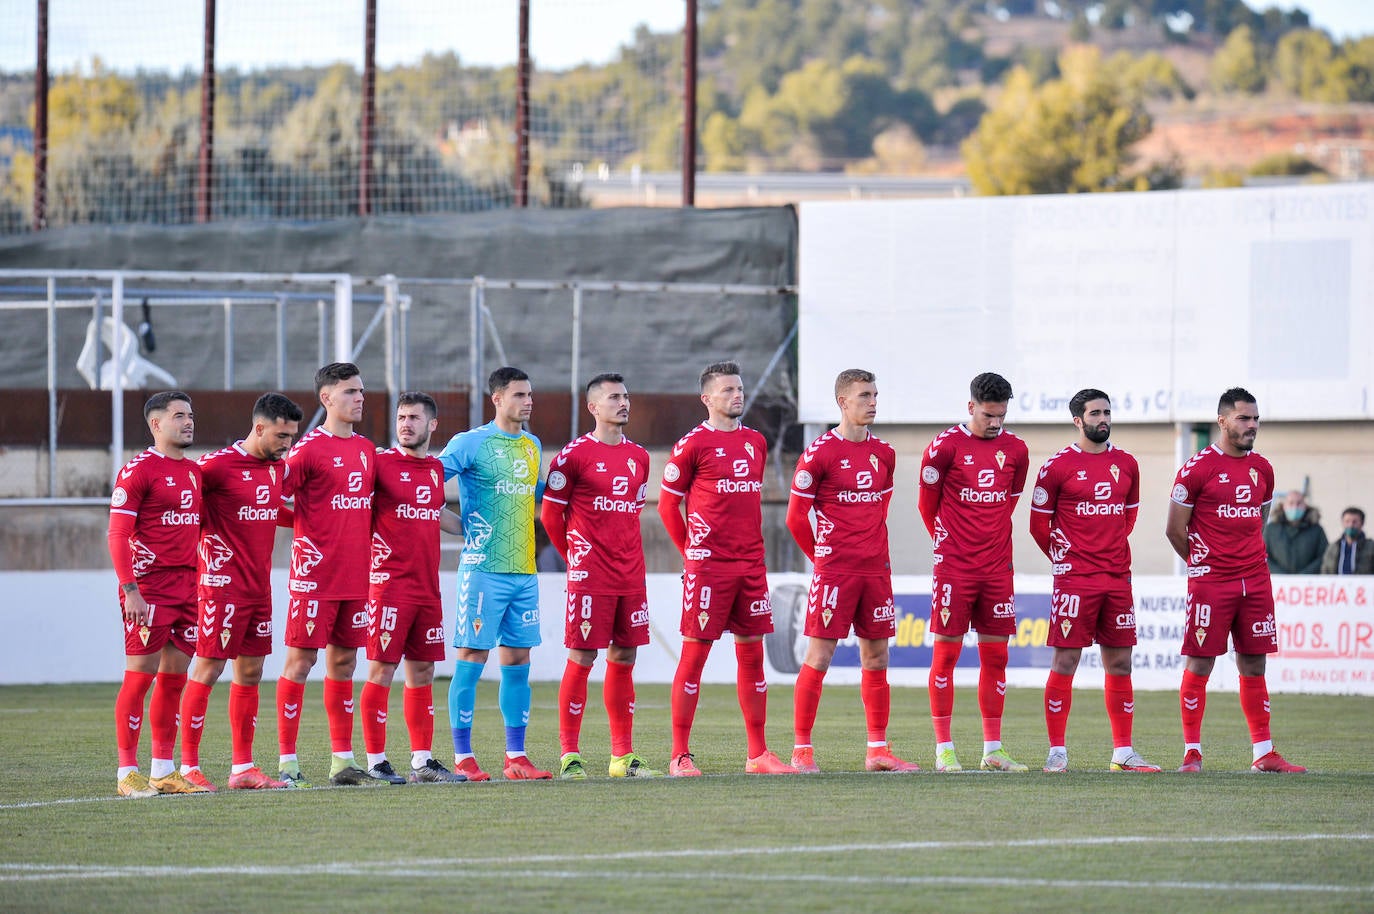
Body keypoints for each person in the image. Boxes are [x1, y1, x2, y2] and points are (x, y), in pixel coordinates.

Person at [659, 361, 794, 776]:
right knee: (695, 656)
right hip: (709, 568)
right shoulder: (692, 445)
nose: (738, 395)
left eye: (740, 388)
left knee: (753, 658)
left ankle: (758, 754)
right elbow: (667, 506)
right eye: (728, 390)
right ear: (707, 399)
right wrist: (691, 553)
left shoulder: (755, 442)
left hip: (751, 566)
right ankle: (679, 754)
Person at [1166, 387, 1305, 773]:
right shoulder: (1197, 469)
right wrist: (1204, 565)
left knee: (1254, 664)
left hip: (1255, 581)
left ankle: (1264, 753)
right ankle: (1191, 752)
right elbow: (1175, 530)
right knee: (1200, 664)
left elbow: (1257, 522)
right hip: (1212, 583)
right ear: (1222, 421)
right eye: (1244, 418)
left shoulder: (1263, 469)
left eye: (1256, 419)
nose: (1252, 425)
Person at [786, 369, 917, 774]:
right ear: (843, 402)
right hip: (835, 572)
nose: (873, 402)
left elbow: (880, 509)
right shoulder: (819, 453)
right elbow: (795, 518)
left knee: (877, 656)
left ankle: (878, 750)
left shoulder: (885, 454)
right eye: (864, 395)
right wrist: (821, 558)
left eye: (875, 394)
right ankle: (802, 751)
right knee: (820, 655)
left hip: (875, 571)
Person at [1030, 389, 1160, 774]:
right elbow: (1039, 527)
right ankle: (1057, 752)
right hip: (1075, 579)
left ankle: (1123, 752)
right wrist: (1067, 559)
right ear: (1078, 420)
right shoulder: (1056, 467)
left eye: (1106, 412)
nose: (1103, 419)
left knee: (1120, 662)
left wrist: (1109, 550)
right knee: (1066, 659)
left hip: (1117, 579)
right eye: (1095, 413)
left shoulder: (1127, 464)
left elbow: (1128, 518)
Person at [178, 393, 302, 791]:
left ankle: (242, 768)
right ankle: (187, 767)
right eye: (282, 435)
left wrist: (319, 517)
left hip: (257, 589)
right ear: (260, 428)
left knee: (250, 672)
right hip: (220, 589)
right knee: (208, 668)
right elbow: (182, 512)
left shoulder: (276, 469)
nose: (287, 444)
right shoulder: (214, 467)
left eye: (292, 437)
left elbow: (269, 509)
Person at [541, 372, 662, 779]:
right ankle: (569, 756)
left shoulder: (640, 457)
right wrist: (574, 556)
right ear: (594, 407)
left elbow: (632, 515)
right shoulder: (573, 456)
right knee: (583, 656)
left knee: (624, 657)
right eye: (613, 398)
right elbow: (550, 515)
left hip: (631, 574)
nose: (623, 403)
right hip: (590, 575)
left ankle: (622, 756)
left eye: (626, 396)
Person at [438, 366, 551, 781]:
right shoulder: (470, 443)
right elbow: (426, 485)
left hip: (524, 571)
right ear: (498, 399)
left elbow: (537, 496)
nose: (528, 401)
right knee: (472, 657)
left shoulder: (532, 445)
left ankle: (516, 757)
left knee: (519, 658)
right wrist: (454, 524)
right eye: (520, 395)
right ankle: (463, 757)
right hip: (483, 569)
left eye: (530, 394)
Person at [917, 371, 1029, 773]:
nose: (995, 423)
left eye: (1000, 416)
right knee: (945, 656)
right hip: (955, 568)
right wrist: (951, 545)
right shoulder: (943, 447)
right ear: (970, 408)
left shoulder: (1016, 449)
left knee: (996, 658)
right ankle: (944, 749)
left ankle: (993, 750)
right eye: (987, 416)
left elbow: (1007, 503)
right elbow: (926, 507)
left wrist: (987, 541)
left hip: (998, 569)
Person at [277, 362, 380, 788]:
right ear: (327, 398)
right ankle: (287, 763)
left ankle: (342, 761)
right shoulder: (306, 450)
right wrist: (307, 527)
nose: (359, 398)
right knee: (301, 662)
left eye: (361, 391)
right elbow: (274, 501)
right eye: (350, 391)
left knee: (345, 662)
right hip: (314, 578)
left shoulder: (367, 450)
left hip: (356, 577)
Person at [107, 391, 212, 797]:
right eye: (179, 416)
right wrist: (130, 591)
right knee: (139, 679)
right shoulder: (137, 471)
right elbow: (117, 535)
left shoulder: (194, 472)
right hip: (148, 589)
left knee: (174, 680)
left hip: (188, 588)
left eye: (191, 414)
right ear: (156, 424)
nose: (188, 422)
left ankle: (164, 770)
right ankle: (126, 774)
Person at [359, 391, 468, 784]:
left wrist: (478, 529)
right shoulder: (380, 462)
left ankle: (422, 762)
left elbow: (435, 513)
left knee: (423, 670)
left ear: (432, 425)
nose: (406, 424)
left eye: (414, 418)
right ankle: (375, 761)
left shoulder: (436, 471)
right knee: (382, 669)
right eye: (402, 417)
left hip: (427, 588)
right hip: (388, 586)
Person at [1263, 489, 1327, 574]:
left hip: (1308, 584)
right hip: (1277, 583)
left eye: (1299, 503)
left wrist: (1304, 575)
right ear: (1284, 506)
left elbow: (1324, 556)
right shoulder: (1271, 530)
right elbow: (1263, 555)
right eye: (1291, 503)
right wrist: (1281, 574)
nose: (1295, 507)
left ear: (1305, 506)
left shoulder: (1317, 530)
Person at [1321, 507, 1374, 575]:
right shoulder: (1333, 547)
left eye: (1354, 522)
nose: (1350, 525)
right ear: (1342, 523)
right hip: (1337, 585)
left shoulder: (1371, 547)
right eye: (1347, 521)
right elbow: (1325, 570)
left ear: (1362, 523)